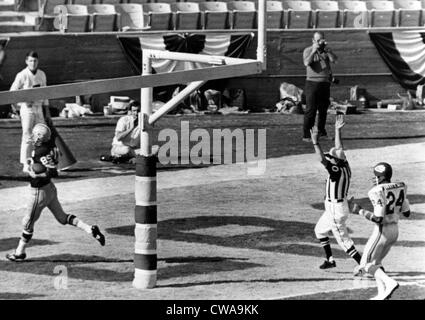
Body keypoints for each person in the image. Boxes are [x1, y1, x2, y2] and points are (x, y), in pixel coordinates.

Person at [6, 124, 105, 262]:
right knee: (62, 218)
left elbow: (52, 172)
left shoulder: (41, 151)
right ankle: (90, 229)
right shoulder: (49, 145)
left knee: (27, 223)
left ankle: (19, 252)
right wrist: (33, 165)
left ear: (40, 137)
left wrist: (34, 174)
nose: (33, 137)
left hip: (39, 192)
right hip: (49, 190)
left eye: (35, 135)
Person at [348, 162, 410, 300]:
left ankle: (390, 283)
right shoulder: (401, 186)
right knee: (376, 263)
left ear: (382, 177)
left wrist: (359, 211)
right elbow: (407, 213)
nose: (374, 178)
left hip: (382, 231)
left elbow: (378, 219)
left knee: (365, 265)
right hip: (395, 231)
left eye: (376, 176)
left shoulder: (376, 191)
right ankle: (382, 294)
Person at [310, 114, 362, 269]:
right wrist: (337, 131)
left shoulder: (335, 170)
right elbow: (339, 149)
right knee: (319, 231)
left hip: (336, 208)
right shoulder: (344, 165)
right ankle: (330, 260)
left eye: (331, 158)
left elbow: (322, 159)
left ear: (335, 162)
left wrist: (315, 142)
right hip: (336, 205)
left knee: (344, 241)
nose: (330, 158)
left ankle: (365, 266)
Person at [10, 51, 51, 173]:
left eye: (35, 61)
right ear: (26, 61)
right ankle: (25, 163)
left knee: (42, 135)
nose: (33, 63)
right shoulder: (22, 75)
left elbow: (45, 94)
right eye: (31, 61)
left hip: (39, 108)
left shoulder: (42, 74)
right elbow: (12, 93)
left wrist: (47, 111)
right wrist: (20, 104)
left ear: (38, 62)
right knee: (27, 136)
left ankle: (41, 160)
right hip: (27, 109)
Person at [303, 32, 337, 142]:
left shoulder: (326, 51)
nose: (319, 42)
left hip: (324, 84)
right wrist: (314, 50)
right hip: (312, 83)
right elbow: (306, 63)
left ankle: (321, 132)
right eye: (317, 40)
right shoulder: (308, 50)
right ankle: (307, 135)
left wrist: (329, 52)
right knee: (311, 110)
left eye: (321, 40)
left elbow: (334, 60)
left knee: (323, 110)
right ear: (313, 41)